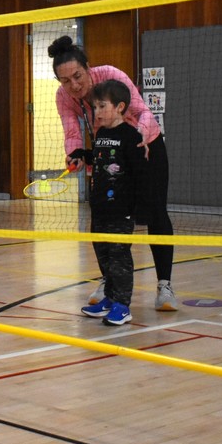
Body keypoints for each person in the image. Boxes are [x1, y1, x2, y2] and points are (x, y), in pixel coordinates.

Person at [48, 35, 178, 311]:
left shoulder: (111, 76)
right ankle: (109, 281)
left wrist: (137, 139)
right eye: (65, 81)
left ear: (88, 67)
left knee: (156, 213)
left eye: (78, 76)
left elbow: (142, 111)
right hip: (108, 153)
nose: (74, 85)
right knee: (104, 217)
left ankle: (164, 285)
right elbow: (72, 130)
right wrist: (73, 155)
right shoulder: (64, 98)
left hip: (145, 147)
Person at [75, 80, 149, 325]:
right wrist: (81, 155)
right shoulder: (102, 134)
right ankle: (108, 298)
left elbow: (140, 173)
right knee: (104, 255)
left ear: (120, 107)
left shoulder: (131, 136)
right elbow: (99, 160)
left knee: (119, 258)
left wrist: (138, 208)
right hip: (100, 210)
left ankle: (122, 305)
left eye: (102, 106)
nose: (97, 112)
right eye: (94, 107)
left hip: (121, 211)